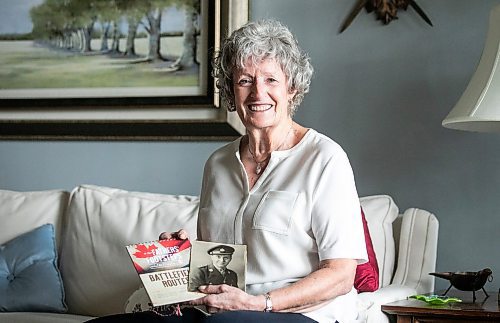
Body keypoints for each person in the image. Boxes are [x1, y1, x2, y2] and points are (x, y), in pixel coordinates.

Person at [87, 19, 367, 323]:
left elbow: (341, 275)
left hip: (302, 314)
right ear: (231, 94)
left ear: (292, 88)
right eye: (245, 80)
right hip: (224, 310)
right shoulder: (219, 163)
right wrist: (180, 255)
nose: (258, 93)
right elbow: (218, 263)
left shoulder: (324, 158)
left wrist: (261, 303)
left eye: (271, 80)